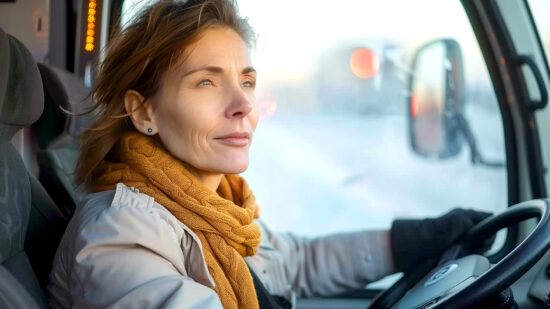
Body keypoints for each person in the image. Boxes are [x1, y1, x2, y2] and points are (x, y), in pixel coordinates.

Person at [47, 1, 492, 308]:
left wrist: (412, 239)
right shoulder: (119, 235)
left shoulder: (219, 209)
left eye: (246, 81)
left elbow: (295, 263)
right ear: (144, 110)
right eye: (206, 81)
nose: (242, 104)